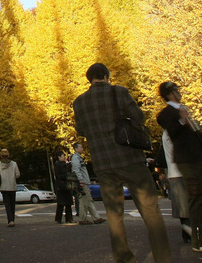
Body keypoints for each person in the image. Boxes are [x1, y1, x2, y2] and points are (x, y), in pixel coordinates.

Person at [73, 63, 170, 263]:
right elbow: (139, 117)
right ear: (107, 76)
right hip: (130, 158)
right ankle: (162, 258)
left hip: (103, 162)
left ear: (89, 79)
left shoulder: (79, 102)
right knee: (151, 210)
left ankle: (124, 258)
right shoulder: (119, 92)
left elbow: (81, 130)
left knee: (114, 214)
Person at [157, 81, 202, 253]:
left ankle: (196, 230)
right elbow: (172, 130)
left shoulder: (183, 109)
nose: (179, 92)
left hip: (199, 158)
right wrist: (181, 120)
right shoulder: (166, 113)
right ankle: (199, 239)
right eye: (176, 90)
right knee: (197, 197)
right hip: (187, 160)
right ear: (169, 93)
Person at [161, 126, 192, 242]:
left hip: (175, 173)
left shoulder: (167, 133)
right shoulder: (171, 132)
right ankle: (189, 232)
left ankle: (187, 232)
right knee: (185, 205)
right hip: (178, 172)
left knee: (183, 206)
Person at [71, 142, 105, 225]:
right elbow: (76, 169)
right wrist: (81, 180)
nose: (82, 149)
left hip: (84, 182)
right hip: (82, 182)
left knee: (88, 200)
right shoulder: (76, 158)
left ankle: (96, 218)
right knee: (84, 200)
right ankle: (83, 219)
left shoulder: (79, 158)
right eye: (81, 147)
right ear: (76, 149)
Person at [0, 148, 21, 227]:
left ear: (1, 156)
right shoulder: (14, 164)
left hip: (3, 186)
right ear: (8, 155)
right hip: (12, 186)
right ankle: (12, 219)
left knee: (7, 204)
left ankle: (10, 220)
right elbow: (17, 174)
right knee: (12, 204)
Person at [54, 152, 74, 224]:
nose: (64, 157)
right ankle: (59, 219)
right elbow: (58, 175)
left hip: (67, 186)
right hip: (61, 186)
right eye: (63, 156)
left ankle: (69, 218)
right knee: (61, 204)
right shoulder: (57, 164)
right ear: (59, 157)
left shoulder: (66, 164)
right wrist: (66, 175)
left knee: (68, 203)